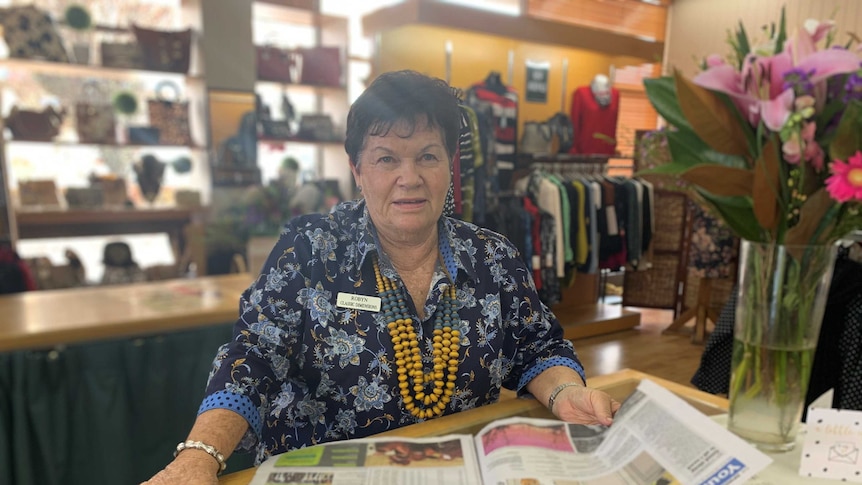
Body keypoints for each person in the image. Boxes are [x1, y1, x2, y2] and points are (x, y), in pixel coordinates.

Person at [144, 70, 620, 484]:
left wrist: (565, 393)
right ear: (357, 169)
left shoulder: (492, 256)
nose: (409, 177)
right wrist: (199, 455)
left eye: (428, 157)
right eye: (386, 158)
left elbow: (538, 346)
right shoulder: (310, 250)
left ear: (449, 169)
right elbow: (253, 358)